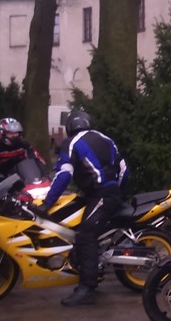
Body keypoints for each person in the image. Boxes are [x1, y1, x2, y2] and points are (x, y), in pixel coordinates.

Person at [39, 110, 129, 307]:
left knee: (86, 235)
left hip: (101, 194)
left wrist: (48, 202)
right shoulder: (106, 139)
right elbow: (124, 170)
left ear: (69, 127)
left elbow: (63, 175)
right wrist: (118, 193)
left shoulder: (70, 143)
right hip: (106, 193)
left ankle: (87, 287)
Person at [0, 117, 45, 194]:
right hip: (0, 180)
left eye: (16, 133)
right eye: (10, 134)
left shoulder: (24, 144)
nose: (14, 136)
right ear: (2, 134)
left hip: (20, 178)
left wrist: (41, 171)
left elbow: (36, 159)